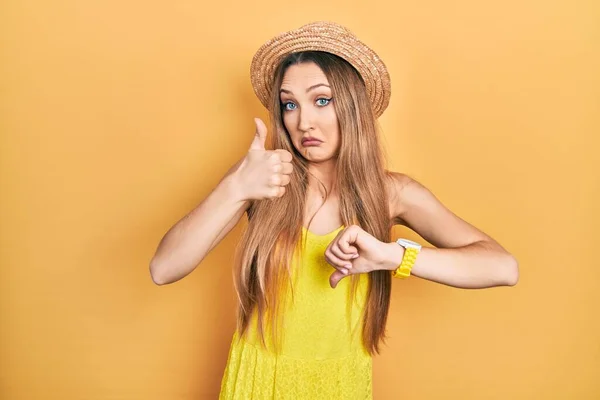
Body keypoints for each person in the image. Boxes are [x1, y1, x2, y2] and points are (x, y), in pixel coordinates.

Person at [149, 21, 519, 399]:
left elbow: (502, 267)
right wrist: (236, 187)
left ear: (353, 106)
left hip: (339, 385)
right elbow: (164, 268)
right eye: (289, 104)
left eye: (321, 100)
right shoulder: (264, 177)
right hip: (259, 381)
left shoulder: (392, 192)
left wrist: (392, 256)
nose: (302, 121)